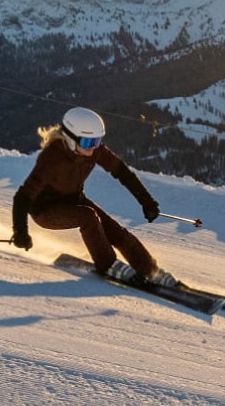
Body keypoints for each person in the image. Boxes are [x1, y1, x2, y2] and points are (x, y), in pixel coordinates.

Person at [10, 106, 175, 285]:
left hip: (74, 200)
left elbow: (122, 172)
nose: (93, 148)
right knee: (88, 217)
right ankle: (108, 265)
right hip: (45, 210)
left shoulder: (94, 150)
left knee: (115, 231)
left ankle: (150, 270)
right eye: (88, 143)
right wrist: (21, 233)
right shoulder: (52, 158)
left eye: (96, 141)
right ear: (70, 138)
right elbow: (23, 197)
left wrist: (147, 202)